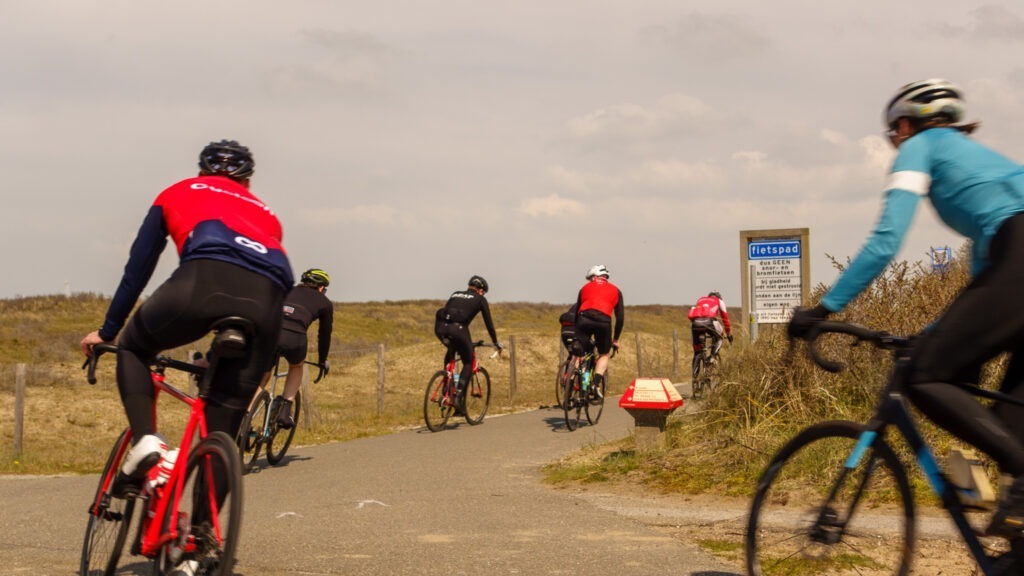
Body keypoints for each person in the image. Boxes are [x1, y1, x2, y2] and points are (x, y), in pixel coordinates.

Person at [787, 79, 1024, 538]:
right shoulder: (984, 174)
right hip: (1013, 264)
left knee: (924, 376)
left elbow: (886, 242)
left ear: (903, 124)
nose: (894, 141)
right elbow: (984, 286)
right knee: (1008, 426)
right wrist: (932, 332)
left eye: (892, 134)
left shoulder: (921, 146)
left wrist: (824, 308)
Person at [80, 139, 292, 488]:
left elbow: (138, 269)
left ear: (200, 172)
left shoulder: (176, 191)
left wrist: (108, 330)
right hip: (269, 300)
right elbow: (247, 289)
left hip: (204, 279)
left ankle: (147, 441)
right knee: (223, 428)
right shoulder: (268, 214)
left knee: (133, 348)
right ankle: (201, 535)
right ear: (248, 183)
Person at [263, 268, 334, 430]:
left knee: (263, 375)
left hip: (271, 334)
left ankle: (246, 420)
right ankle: (286, 408)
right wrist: (322, 360)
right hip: (295, 337)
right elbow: (324, 335)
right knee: (296, 366)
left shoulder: (285, 289)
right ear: (321, 288)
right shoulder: (325, 303)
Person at [434, 276, 503, 396]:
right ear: (481, 291)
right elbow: (489, 324)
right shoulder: (480, 299)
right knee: (468, 361)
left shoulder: (455, 294)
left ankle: (447, 384)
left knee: (451, 350)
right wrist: (496, 342)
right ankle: (458, 396)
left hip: (440, 328)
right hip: (458, 329)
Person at [573, 265, 624, 399]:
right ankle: (595, 385)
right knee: (604, 354)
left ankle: (574, 379)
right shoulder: (616, 290)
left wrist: (576, 332)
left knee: (580, 352)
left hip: (584, 319)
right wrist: (616, 339)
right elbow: (620, 318)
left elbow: (576, 311)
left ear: (594, 277)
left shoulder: (584, 288)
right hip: (603, 322)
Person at [688, 291, 733, 379]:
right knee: (720, 337)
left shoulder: (701, 299)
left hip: (695, 323)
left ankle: (695, 376)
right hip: (710, 322)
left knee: (697, 351)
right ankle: (712, 357)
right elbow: (725, 319)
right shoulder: (719, 301)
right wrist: (728, 333)